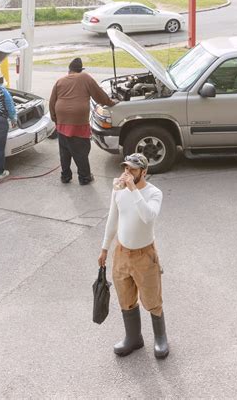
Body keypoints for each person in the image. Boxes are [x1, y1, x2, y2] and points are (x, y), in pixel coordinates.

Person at [98, 153, 169, 359]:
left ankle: (160, 337)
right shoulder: (118, 190)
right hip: (121, 253)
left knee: (152, 298)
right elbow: (113, 220)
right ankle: (134, 338)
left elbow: (148, 217)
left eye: (133, 170)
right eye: (126, 168)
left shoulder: (154, 193)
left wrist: (133, 189)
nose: (127, 173)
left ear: (144, 172)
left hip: (144, 255)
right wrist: (104, 249)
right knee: (125, 298)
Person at [49, 57, 115, 185]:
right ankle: (84, 177)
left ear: (69, 70)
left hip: (62, 122)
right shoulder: (85, 77)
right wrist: (111, 103)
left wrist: (56, 120)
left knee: (64, 151)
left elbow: (52, 102)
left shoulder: (60, 81)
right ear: (80, 70)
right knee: (81, 151)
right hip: (78, 122)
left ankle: (65, 176)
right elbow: (99, 95)